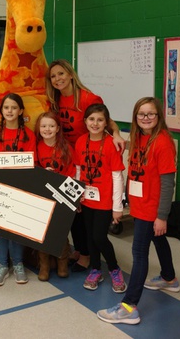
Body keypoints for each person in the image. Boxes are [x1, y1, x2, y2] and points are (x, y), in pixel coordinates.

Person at [97, 97, 178, 325]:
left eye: (151, 114)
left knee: (139, 253)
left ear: (159, 116)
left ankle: (129, 306)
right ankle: (169, 278)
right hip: (139, 203)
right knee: (158, 240)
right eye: (141, 114)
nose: (146, 118)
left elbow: (167, 183)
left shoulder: (162, 143)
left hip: (151, 208)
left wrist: (161, 216)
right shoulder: (140, 138)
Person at [46, 59, 125, 273]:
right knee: (72, 207)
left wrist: (116, 134)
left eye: (61, 74)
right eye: (53, 76)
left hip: (87, 158)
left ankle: (87, 255)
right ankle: (81, 250)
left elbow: (106, 120)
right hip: (66, 159)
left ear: (71, 74)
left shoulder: (89, 98)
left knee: (81, 211)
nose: (57, 79)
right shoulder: (55, 99)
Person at [73, 104, 126, 293]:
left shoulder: (112, 143)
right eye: (91, 119)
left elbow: (117, 176)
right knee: (90, 236)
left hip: (105, 201)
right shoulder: (80, 141)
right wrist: (76, 196)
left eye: (100, 120)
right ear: (85, 121)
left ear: (106, 123)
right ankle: (95, 269)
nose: (95, 123)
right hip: (86, 198)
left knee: (99, 236)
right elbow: (78, 170)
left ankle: (114, 268)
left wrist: (117, 206)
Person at [0, 93, 36, 286]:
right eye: (6, 108)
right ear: (1, 111)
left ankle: (18, 264)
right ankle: (2, 265)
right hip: (0, 189)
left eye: (14, 108)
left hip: (21, 188)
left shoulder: (28, 136)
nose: (10, 111)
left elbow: (32, 163)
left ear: (21, 111)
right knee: (1, 229)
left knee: (17, 229)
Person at [34, 111, 75, 281]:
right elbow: (33, 168)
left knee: (60, 231)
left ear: (58, 128)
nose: (47, 129)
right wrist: (43, 173)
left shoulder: (66, 147)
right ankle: (44, 263)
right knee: (43, 230)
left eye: (51, 126)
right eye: (43, 126)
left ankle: (62, 262)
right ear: (39, 128)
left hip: (62, 196)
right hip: (43, 195)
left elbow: (73, 172)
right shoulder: (36, 147)